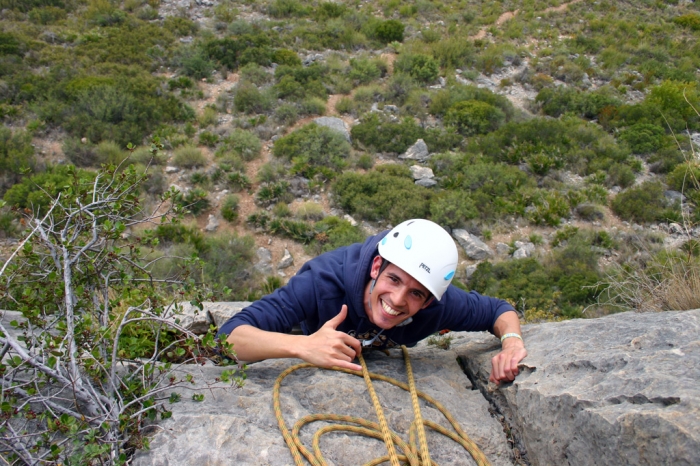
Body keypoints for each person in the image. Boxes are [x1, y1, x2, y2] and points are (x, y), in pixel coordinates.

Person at [218, 219, 527, 384]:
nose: (397, 300)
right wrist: (303, 345)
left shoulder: (439, 305)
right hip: (308, 333)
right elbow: (228, 337)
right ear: (377, 267)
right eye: (394, 279)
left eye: (416, 294)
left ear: (428, 302)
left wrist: (512, 343)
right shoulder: (322, 283)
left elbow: (498, 310)